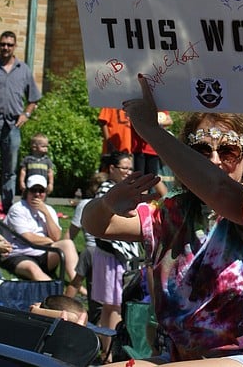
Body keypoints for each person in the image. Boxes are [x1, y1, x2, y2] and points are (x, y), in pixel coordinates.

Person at [83, 74, 243, 367]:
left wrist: (151, 131)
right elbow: (96, 225)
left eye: (227, 150)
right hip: (182, 359)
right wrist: (108, 202)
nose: (213, 160)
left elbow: (222, 192)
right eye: (200, 151)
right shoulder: (173, 211)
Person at [0, 30, 42, 213]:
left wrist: (26, 114)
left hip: (12, 127)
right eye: (3, 44)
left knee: (10, 170)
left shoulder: (23, 69)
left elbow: (34, 98)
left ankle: (8, 208)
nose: (5, 47)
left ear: (15, 46)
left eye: (9, 44)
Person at [90, 151, 141, 359]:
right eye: (124, 168)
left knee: (110, 305)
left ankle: (106, 350)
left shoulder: (121, 190)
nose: (128, 172)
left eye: (130, 168)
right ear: (112, 169)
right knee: (113, 305)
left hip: (117, 256)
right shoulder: (107, 190)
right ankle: (109, 353)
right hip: (112, 256)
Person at [0, 174, 78, 282]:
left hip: (43, 253)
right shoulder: (18, 209)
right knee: (33, 270)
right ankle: (57, 294)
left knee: (67, 243)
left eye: (41, 191)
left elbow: (56, 237)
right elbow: (28, 238)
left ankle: (76, 283)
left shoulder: (49, 210)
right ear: (26, 192)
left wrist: (46, 213)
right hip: (19, 254)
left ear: (45, 193)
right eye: (33, 190)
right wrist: (48, 240)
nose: (37, 194)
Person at [64, 171, 107, 323]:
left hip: (93, 252)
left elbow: (71, 233)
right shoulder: (93, 205)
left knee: (78, 281)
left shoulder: (86, 205)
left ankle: (61, 308)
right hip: (98, 251)